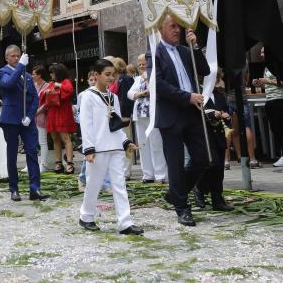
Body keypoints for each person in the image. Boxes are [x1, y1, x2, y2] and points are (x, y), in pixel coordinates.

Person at [145, 16, 210, 227]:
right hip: (171, 115)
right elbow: (158, 84)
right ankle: (182, 208)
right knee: (175, 165)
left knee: (202, 157)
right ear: (160, 28)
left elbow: (205, 70)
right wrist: (186, 96)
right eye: (172, 26)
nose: (177, 30)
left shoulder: (185, 50)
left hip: (192, 112)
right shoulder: (154, 54)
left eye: (179, 27)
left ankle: (176, 193)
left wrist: (195, 45)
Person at [78, 58, 143, 235]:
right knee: (94, 184)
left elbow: (116, 124)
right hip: (97, 149)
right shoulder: (87, 97)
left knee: (119, 184)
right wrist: (89, 149)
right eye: (107, 74)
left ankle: (125, 223)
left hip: (115, 148)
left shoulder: (113, 97)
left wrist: (125, 141)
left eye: (113, 75)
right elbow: (86, 124)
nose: (111, 78)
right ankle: (86, 216)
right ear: (96, 75)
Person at [0, 45, 49, 202]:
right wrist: (20, 67)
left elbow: (35, 97)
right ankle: (14, 189)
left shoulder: (26, 75)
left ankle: (35, 189)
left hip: (27, 120)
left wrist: (30, 115)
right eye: (13, 56)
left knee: (32, 152)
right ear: (6, 58)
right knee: (12, 154)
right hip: (11, 118)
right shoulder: (2, 72)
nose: (16, 58)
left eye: (18, 56)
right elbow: (8, 85)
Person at [193, 74, 234, 211]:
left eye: (216, 77)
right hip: (204, 135)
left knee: (219, 169)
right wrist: (211, 113)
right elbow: (195, 112)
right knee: (211, 164)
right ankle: (199, 189)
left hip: (219, 135)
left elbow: (226, 112)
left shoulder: (219, 94)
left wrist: (226, 116)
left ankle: (217, 199)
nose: (215, 80)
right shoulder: (197, 92)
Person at [128, 54, 167, 183]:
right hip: (140, 115)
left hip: (153, 114)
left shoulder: (155, 76)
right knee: (143, 145)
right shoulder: (137, 79)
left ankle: (160, 174)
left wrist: (146, 79)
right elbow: (130, 94)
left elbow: (154, 90)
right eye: (139, 64)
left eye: (143, 63)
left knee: (156, 144)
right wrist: (141, 93)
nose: (141, 66)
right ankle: (147, 174)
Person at [253, 47, 283, 167]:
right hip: (270, 99)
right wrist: (260, 82)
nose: (261, 54)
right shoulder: (267, 67)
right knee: (275, 129)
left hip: (278, 100)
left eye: (263, 52)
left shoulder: (278, 65)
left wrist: (266, 81)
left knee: (281, 128)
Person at [42, 63, 76, 174]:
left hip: (62, 113)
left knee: (65, 138)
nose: (51, 75)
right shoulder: (51, 83)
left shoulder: (65, 82)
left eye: (53, 72)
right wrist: (47, 92)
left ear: (58, 73)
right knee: (55, 139)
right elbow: (42, 97)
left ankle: (70, 163)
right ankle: (58, 162)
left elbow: (69, 90)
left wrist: (58, 86)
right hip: (52, 113)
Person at [31, 66, 51, 173]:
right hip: (31, 115)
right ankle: (31, 164)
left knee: (42, 141)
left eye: (34, 74)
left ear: (39, 75)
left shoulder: (47, 86)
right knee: (31, 141)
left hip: (41, 116)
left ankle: (43, 164)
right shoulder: (33, 85)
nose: (32, 76)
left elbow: (47, 103)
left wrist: (37, 111)